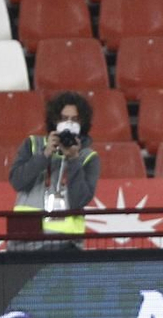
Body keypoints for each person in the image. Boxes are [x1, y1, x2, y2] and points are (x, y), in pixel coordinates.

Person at [8, 91, 101, 250]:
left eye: (74, 120)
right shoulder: (33, 145)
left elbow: (79, 200)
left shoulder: (88, 157)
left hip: (66, 243)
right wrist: (44, 154)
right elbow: (17, 181)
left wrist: (73, 159)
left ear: (82, 123)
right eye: (64, 119)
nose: (69, 124)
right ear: (54, 120)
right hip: (25, 239)